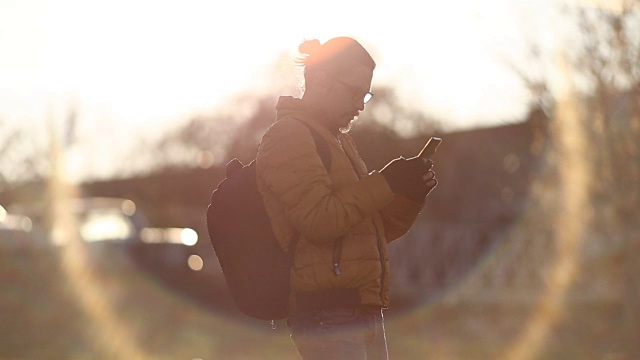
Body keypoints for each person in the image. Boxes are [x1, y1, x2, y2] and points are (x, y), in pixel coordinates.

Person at [256, 37, 437, 360]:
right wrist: (385, 181)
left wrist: (407, 194)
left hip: (358, 311)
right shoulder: (289, 136)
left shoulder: (339, 142)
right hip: (327, 314)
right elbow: (319, 220)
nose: (361, 104)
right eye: (354, 92)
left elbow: (366, 231)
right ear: (322, 81)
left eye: (365, 94)